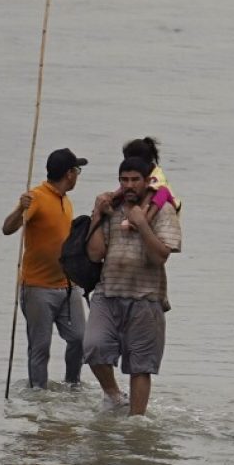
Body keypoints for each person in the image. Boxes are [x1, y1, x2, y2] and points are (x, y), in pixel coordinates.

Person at [82, 156, 182, 415]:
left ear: (147, 181)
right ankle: (114, 396)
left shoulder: (164, 210)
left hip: (146, 297)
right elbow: (94, 255)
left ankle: (136, 420)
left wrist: (141, 223)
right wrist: (96, 215)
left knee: (140, 366)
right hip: (107, 292)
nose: (128, 185)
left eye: (134, 180)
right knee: (93, 346)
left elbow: (160, 256)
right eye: (123, 180)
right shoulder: (111, 208)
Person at [1, 147, 88, 389]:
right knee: (40, 348)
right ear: (69, 173)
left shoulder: (66, 201)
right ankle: (38, 394)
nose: (78, 175)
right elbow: (7, 229)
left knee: (80, 339)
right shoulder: (37, 197)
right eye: (77, 170)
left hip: (68, 286)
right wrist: (20, 208)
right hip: (37, 288)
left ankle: (73, 385)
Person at [117, 136, 181, 230]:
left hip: (169, 202)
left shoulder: (157, 174)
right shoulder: (137, 175)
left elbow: (152, 192)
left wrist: (141, 215)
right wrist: (113, 195)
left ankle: (146, 219)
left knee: (161, 191)